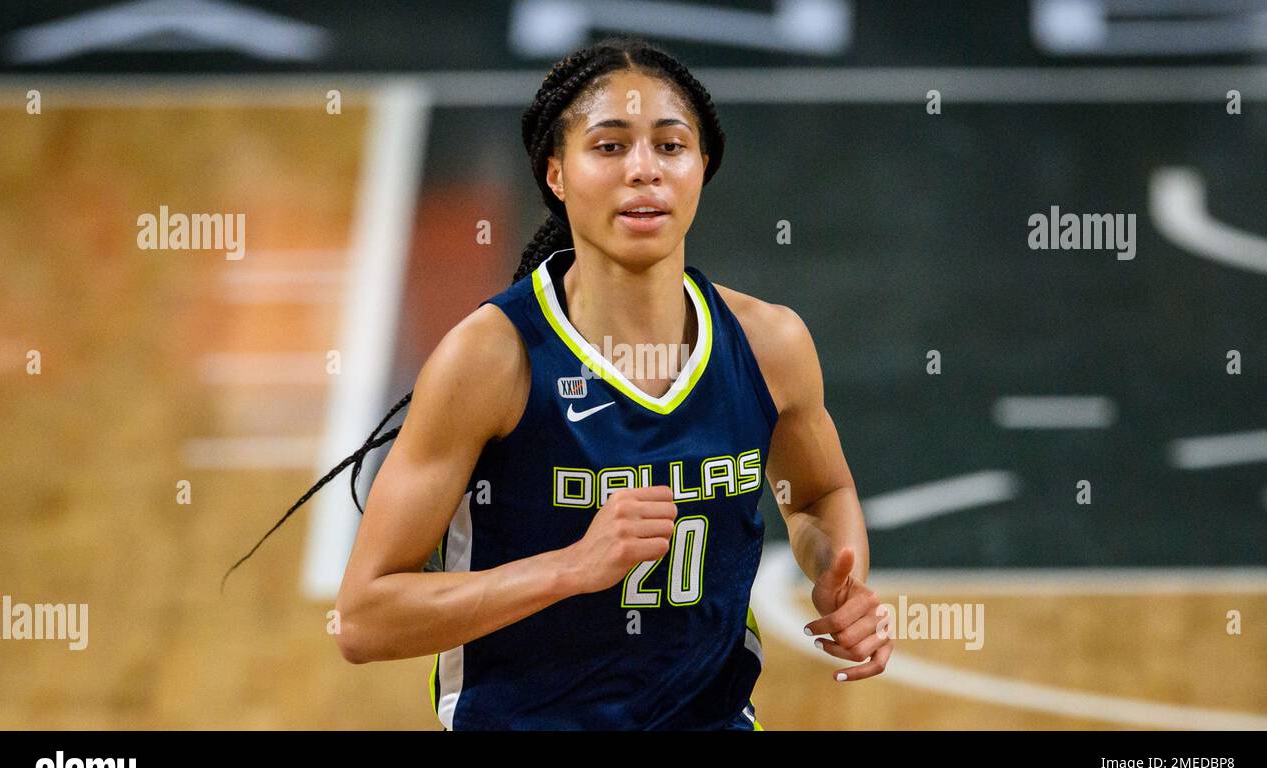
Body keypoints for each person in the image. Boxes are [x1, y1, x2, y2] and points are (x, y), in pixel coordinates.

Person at [227, 35, 892, 730]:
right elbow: (363, 619)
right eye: (609, 147)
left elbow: (820, 492)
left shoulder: (769, 343)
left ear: (703, 166)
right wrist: (572, 567)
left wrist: (834, 575)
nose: (644, 171)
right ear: (556, 175)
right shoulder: (491, 359)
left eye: (670, 146)